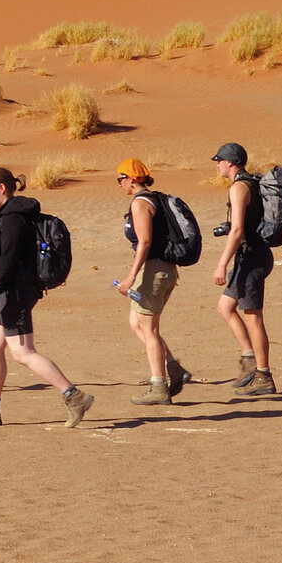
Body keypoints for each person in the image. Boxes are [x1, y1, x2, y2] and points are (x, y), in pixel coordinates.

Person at [0, 166, 95, 428]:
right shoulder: (9, 214)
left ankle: (73, 396)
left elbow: (9, 260)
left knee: (23, 352)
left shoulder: (13, 217)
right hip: (10, 291)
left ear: (2, 189)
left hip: (15, 293)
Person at [114, 158, 188, 405]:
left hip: (153, 270)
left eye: (121, 178)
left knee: (149, 329)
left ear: (133, 178)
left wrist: (131, 276)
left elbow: (144, 242)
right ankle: (173, 368)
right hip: (163, 269)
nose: (120, 184)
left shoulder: (140, 203)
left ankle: (159, 385)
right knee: (136, 323)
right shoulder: (154, 198)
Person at [210, 142, 276, 396]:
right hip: (252, 255)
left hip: (252, 257)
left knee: (253, 317)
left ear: (230, 163)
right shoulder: (250, 183)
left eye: (219, 160)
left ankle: (263, 375)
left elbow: (237, 229)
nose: (217, 165)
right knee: (225, 307)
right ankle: (250, 360)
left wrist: (221, 264)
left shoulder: (239, 187)